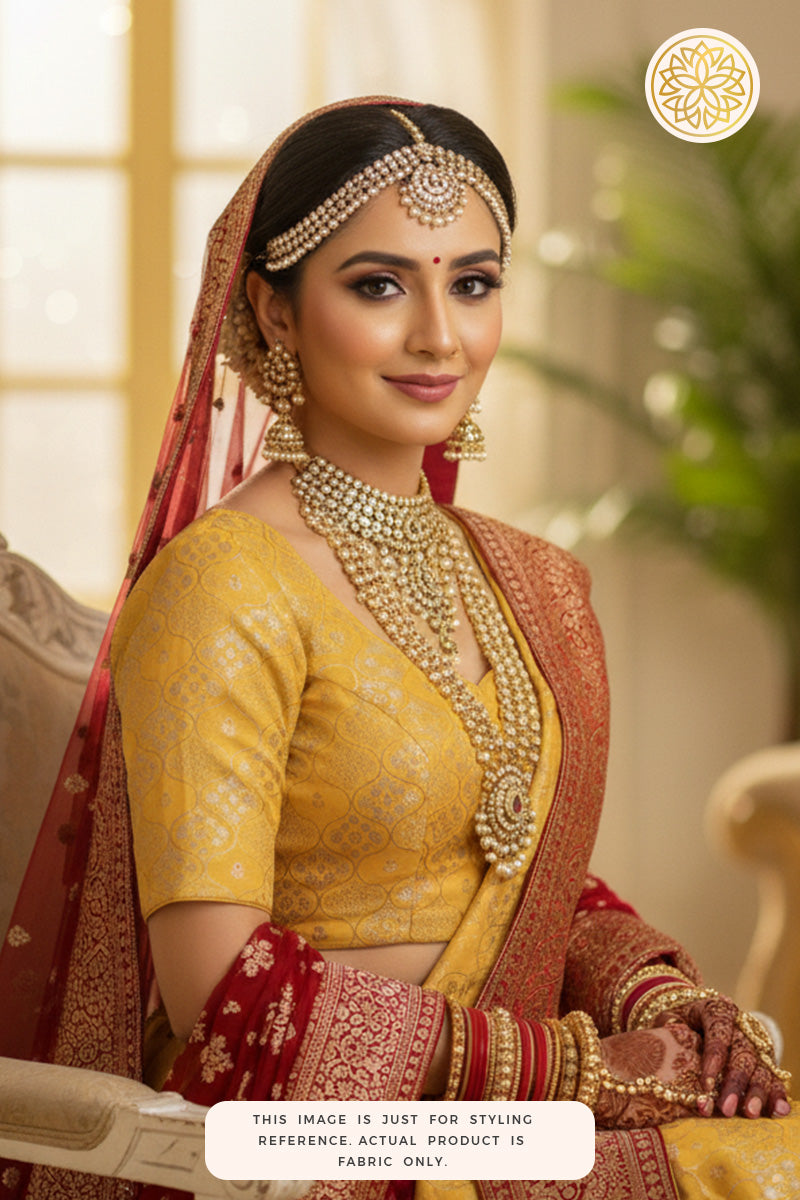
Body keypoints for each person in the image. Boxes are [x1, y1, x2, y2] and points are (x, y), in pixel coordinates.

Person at [0, 96, 796, 1200]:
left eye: (471, 282)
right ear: (274, 314)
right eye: (379, 285)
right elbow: (226, 992)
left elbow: (532, 886)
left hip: (499, 1121)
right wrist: (576, 1070)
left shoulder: (529, 580)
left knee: (774, 1157)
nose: (439, 334)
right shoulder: (222, 585)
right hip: (314, 1143)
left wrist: (662, 1008)